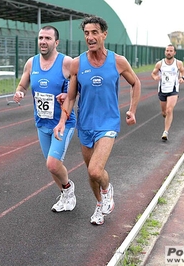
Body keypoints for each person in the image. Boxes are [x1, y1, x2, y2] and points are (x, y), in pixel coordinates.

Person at [53, 16, 141, 225]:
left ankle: (107, 189)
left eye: (94, 33)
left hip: (108, 124)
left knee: (95, 170)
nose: (90, 37)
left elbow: (135, 83)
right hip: (85, 125)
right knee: (91, 173)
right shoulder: (77, 63)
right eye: (86, 33)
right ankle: (100, 205)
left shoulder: (118, 61)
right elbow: (72, 96)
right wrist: (62, 121)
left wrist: (132, 110)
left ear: (104, 34)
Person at [13, 25, 77, 213]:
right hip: (42, 123)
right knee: (52, 167)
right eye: (41, 38)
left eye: (48, 38)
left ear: (56, 42)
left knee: (53, 163)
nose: (43, 41)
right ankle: (65, 195)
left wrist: (67, 95)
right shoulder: (31, 63)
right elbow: (23, 84)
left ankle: (69, 190)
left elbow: (77, 89)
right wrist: (19, 92)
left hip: (63, 122)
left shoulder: (67, 63)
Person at [151, 44, 184, 141]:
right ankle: (166, 116)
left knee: (169, 110)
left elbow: (182, 71)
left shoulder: (178, 63)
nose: (168, 52)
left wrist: (182, 77)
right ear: (165, 52)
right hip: (162, 90)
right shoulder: (160, 64)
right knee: (164, 112)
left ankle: (165, 132)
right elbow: (153, 73)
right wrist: (155, 77)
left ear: (174, 52)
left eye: (170, 51)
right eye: (167, 50)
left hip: (173, 90)